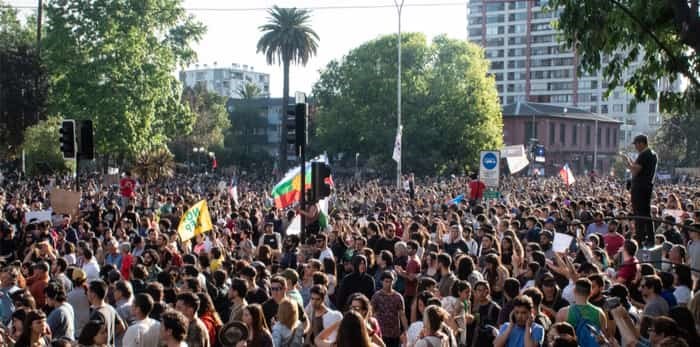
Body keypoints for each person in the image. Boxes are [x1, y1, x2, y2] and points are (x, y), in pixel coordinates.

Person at [622, 134, 658, 247]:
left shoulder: (644, 154)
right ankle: (650, 239)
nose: (635, 147)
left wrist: (627, 163)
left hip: (639, 188)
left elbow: (635, 171)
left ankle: (640, 239)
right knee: (646, 214)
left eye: (636, 144)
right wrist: (631, 162)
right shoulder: (652, 154)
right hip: (646, 186)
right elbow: (639, 167)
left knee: (639, 214)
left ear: (641, 143)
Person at [371, 271, 407, 347]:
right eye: (386, 281)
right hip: (381, 332)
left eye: (391, 282)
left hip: (394, 333)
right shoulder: (376, 296)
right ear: (382, 282)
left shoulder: (398, 297)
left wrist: (406, 330)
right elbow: (372, 313)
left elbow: (402, 315)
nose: (389, 284)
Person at [87, 280, 126, 347]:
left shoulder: (97, 314)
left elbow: (94, 339)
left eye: (88, 290)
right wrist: (109, 337)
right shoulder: (110, 308)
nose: (86, 293)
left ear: (93, 294)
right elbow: (122, 326)